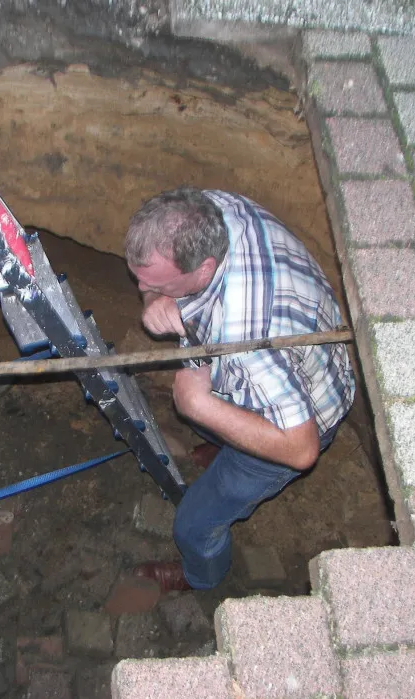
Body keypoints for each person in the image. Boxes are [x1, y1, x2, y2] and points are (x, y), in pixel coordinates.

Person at [125, 187, 355, 592]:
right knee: (206, 409)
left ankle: (201, 576)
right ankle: (224, 444)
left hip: (294, 424)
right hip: (293, 367)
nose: (141, 286)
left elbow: (301, 450)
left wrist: (196, 404)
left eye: (156, 283)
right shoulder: (212, 209)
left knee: (193, 524)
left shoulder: (248, 339)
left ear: (204, 271)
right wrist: (153, 298)